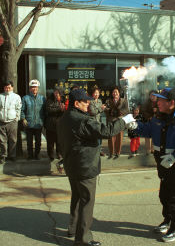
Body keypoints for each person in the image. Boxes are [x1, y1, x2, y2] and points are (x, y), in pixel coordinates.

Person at [57, 89, 134, 246]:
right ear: (76, 103)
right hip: (84, 166)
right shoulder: (81, 120)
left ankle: (73, 228)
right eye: (85, 101)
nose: (88, 103)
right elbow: (106, 131)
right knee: (87, 201)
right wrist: (124, 121)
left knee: (77, 198)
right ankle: (83, 239)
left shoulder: (65, 118)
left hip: (72, 165)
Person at [132, 88, 175, 243]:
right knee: (164, 196)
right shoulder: (159, 117)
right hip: (165, 166)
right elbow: (148, 130)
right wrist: (134, 126)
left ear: (171, 103)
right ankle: (168, 221)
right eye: (157, 99)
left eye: (161, 100)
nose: (157, 102)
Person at [0, 80, 22, 163]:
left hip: (12, 121)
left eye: (9, 87)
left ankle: (12, 155)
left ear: (12, 87)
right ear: (4, 88)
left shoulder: (16, 97)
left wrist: (16, 118)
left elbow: (18, 108)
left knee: (13, 139)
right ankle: (3, 155)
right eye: (6, 87)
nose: (7, 89)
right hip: (1, 121)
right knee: (2, 140)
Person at [21, 79, 46, 160]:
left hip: (39, 123)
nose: (34, 89)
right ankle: (30, 155)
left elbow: (45, 111)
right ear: (30, 88)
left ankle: (37, 154)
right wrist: (23, 118)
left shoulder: (42, 98)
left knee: (38, 141)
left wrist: (44, 121)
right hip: (29, 123)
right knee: (29, 141)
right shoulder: (25, 98)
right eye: (32, 87)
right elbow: (22, 110)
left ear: (38, 88)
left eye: (35, 87)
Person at [104, 86, 129, 159]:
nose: (115, 93)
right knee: (111, 137)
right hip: (111, 120)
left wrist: (120, 112)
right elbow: (105, 109)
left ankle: (118, 153)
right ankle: (111, 153)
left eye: (116, 92)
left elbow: (127, 110)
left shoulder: (123, 100)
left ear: (119, 93)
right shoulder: (108, 101)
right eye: (113, 92)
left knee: (119, 137)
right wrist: (110, 111)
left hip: (119, 121)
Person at [45, 87, 65, 161]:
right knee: (50, 142)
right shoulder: (49, 100)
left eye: (58, 93)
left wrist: (63, 110)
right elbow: (49, 110)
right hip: (50, 123)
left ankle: (59, 153)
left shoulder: (63, 100)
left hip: (60, 124)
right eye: (55, 92)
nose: (56, 94)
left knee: (59, 141)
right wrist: (59, 109)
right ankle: (51, 155)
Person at [88, 87, 106, 157]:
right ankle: (94, 151)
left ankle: (99, 150)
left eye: (98, 93)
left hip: (99, 121)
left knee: (100, 136)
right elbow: (92, 112)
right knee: (94, 137)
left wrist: (101, 109)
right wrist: (100, 109)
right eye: (95, 93)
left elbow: (100, 111)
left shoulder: (100, 101)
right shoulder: (90, 101)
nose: (96, 94)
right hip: (92, 121)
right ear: (92, 94)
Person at [141, 90, 158, 155]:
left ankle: (153, 149)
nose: (152, 97)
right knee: (147, 136)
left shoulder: (159, 102)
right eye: (151, 95)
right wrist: (149, 116)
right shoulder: (146, 102)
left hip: (157, 121)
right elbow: (143, 111)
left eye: (154, 95)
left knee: (155, 135)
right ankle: (148, 149)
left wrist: (157, 111)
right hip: (148, 121)